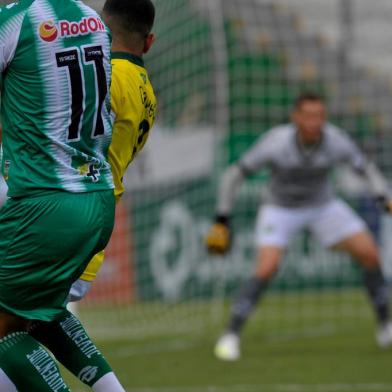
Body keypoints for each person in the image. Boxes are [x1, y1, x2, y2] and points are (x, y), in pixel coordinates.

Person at [206, 92, 392, 361]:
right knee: (267, 266)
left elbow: (366, 168)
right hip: (280, 208)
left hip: (323, 205)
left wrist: (382, 196)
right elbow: (234, 174)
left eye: (320, 116)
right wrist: (222, 218)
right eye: (309, 116)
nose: (315, 122)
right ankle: (231, 335)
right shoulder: (276, 142)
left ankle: (385, 325)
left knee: (370, 253)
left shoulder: (335, 140)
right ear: (296, 118)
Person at [0, 0, 124, 390]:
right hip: (96, 196)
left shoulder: (15, 22)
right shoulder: (92, 19)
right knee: (39, 313)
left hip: (44, 203)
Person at [68, 0, 157, 302]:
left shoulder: (106, 75)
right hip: (99, 218)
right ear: (149, 41)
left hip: (67, 209)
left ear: (101, 28)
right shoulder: (147, 92)